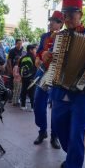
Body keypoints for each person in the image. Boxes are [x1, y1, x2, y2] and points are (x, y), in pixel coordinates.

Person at [48, 0, 85, 168]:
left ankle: (73, 164)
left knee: (77, 135)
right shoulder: (58, 37)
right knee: (59, 128)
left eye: (72, 14)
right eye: (65, 14)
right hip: (59, 92)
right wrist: (46, 57)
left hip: (83, 94)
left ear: (80, 14)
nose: (67, 18)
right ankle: (73, 155)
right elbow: (51, 62)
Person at [32, 10, 63, 149]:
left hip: (57, 75)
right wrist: (38, 58)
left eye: (54, 21)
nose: (50, 23)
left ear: (61, 24)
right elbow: (38, 51)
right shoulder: (44, 36)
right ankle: (42, 131)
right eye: (50, 20)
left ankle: (55, 136)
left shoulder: (65, 36)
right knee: (38, 102)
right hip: (43, 72)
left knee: (56, 106)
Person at [19, 44, 37, 111]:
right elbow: (36, 67)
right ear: (31, 50)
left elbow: (19, 68)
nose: (35, 50)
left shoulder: (22, 58)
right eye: (34, 49)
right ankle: (32, 107)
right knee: (32, 92)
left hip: (24, 77)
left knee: (23, 91)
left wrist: (21, 76)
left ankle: (23, 105)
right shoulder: (34, 58)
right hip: (32, 77)